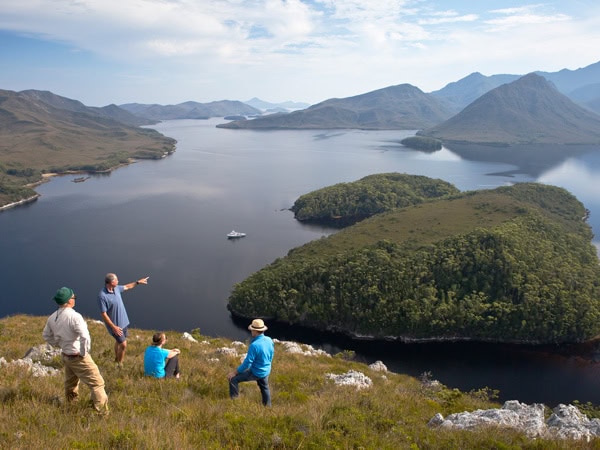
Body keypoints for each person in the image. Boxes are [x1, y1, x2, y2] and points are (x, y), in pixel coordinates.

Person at [42, 287, 109, 415]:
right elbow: (85, 336)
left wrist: (58, 344)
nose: (75, 299)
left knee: (71, 383)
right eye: (74, 297)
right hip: (77, 355)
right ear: (69, 301)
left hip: (66, 355)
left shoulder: (52, 318)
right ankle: (102, 412)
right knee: (97, 383)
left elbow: (46, 335)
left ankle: (71, 405)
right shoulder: (75, 316)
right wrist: (83, 353)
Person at [97, 272, 149, 367]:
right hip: (115, 326)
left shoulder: (116, 288)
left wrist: (138, 282)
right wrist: (113, 327)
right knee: (123, 344)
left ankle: (116, 359)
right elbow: (103, 314)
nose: (118, 281)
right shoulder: (102, 296)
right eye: (116, 280)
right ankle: (119, 364)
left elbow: (127, 287)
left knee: (119, 342)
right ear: (110, 282)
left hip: (123, 322)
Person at [227, 318, 274, 406]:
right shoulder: (269, 340)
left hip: (256, 372)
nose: (251, 331)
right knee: (265, 387)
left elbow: (247, 363)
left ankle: (235, 403)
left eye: (252, 330)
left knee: (233, 379)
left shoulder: (254, 345)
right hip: (266, 370)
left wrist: (234, 372)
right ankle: (268, 407)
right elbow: (271, 354)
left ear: (255, 331)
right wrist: (267, 365)